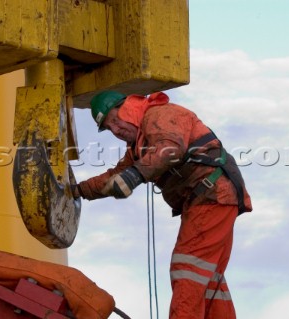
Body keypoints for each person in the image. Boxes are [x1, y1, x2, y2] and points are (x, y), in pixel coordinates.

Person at [72, 90, 252, 319]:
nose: (116, 130)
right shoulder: (139, 145)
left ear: (128, 107)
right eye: (109, 128)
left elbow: (170, 148)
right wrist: (76, 191)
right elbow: (116, 175)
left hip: (211, 195)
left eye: (115, 120)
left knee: (187, 269)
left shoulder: (159, 115)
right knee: (208, 277)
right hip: (212, 198)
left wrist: (135, 175)